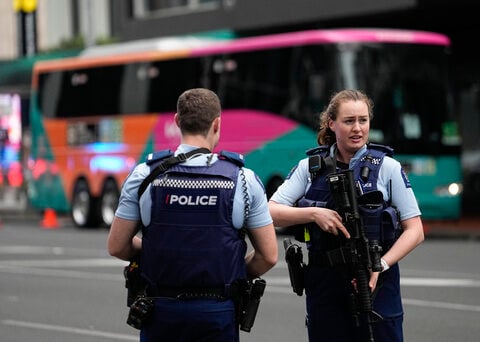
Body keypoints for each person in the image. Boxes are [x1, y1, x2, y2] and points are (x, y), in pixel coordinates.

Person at [107, 88, 278, 341]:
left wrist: (163, 249)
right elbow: (269, 256)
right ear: (217, 123)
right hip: (217, 310)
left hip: (160, 310)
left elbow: (117, 246)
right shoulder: (243, 179)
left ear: (177, 121)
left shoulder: (144, 175)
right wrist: (228, 269)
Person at [269, 89, 424, 341]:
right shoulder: (310, 167)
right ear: (332, 123)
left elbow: (415, 231)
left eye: (363, 120)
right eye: (349, 121)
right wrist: (314, 214)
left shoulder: (387, 167)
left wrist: (380, 265)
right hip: (325, 284)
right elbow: (270, 212)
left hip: (376, 281)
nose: (358, 128)